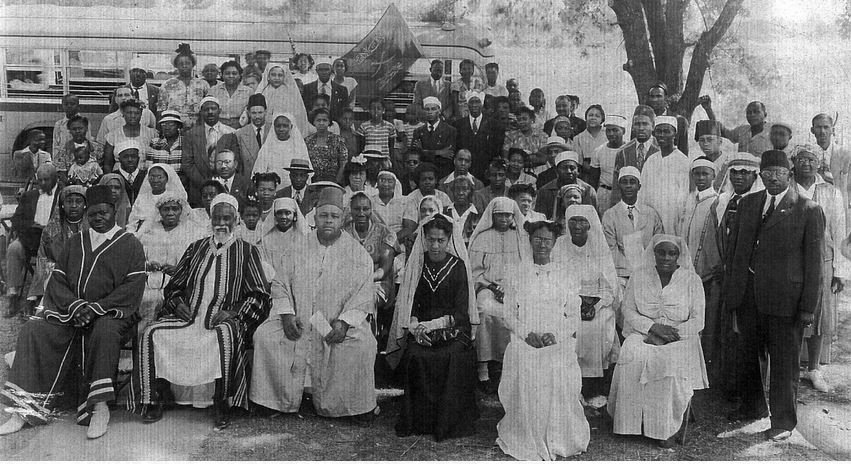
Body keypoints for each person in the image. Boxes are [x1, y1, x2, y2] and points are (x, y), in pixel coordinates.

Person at [0, 185, 146, 439]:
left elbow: (132, 286)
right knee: (34, 329)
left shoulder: (129, 243)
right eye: (94, 213)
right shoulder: (75, 241)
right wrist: (77, 306)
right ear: (87, 214)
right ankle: (24, 409)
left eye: (104, 212)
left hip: (111, 313)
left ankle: (99, 407)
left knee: (105, 331)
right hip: (72, 310)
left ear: (114, 212)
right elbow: (58, 279)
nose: (99, 218)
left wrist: (97, 308)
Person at [129, 193, 270, 429]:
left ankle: (221, 400)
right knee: (152, 333)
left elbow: (258, 295)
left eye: (227, 218)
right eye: (217, 218)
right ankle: (156, 397)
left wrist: (234, 313)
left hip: (221, 318)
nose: (221, 223)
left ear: (236, 221)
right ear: (210, 220)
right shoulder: (195, 248)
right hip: (189, 315)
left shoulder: (247, 251)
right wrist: (178, 304)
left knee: (224, 335)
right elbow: (174, 286)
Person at [250, 185, 377, 421]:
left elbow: (363, 295)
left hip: (334, 324)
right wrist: (287, 315)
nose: (329, 221)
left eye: (334, 216)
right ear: (315, 217)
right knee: (265, 337)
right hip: (299, 319)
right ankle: (275, 402)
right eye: (324, 216)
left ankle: (350, 406)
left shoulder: (356, 253)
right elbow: (279, 284)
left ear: (343, 219)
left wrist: (345, 323)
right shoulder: (297, 246)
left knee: (362, 345)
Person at [725, 150, 824, 441]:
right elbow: (736, 252)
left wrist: (808, 308)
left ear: (789, 174)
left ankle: (783, 421)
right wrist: (735, 294)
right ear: (761, 175)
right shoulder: (748, 203)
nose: (773, 177)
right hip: (749, 296)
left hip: (786, 301)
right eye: (767, 172)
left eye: (779, 172)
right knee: (749, 355)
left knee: (784, 361)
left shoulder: (808, 209)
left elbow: (814, 264)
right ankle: (753, 407)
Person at [497, 220, 590, 459]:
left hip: (556, 338)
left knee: (556, 363)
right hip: (524, 337)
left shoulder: (566, 274)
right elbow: (509, 314)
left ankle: (558, 434)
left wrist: (556, 335)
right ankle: (526, 432)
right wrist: (526, 333)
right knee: (523, 358)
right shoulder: (516, 272)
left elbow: (572, 315)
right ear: (529, 241)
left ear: (555, 243)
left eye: (547, 240)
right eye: (537, 239)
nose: (542, 244)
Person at [608, 234, 708, 448]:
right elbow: (628, 309)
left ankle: (664, 428)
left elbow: (698, 320)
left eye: (672, 253)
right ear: (653, 253)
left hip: (679, 336)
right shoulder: (639, 276)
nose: (666, 257)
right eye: (661, 252)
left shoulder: (692, 280)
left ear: (679, 256)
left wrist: (671, 335)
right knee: (632, 352)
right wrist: (652, 328)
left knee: (667, 361)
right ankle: (630, 424)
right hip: (645, 331)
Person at [386, 212, 478, 439]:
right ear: (424, 240)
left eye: (441, 240)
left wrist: (432, 325)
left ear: (450, 241)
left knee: (451, 356)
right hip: (421, 331)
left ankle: (447, 422)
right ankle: (419, 420)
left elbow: (461, 311)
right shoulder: (418, 264)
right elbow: (411, 304)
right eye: (431, 240)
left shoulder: (458, 267)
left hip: (453, 330)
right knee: (416, 355)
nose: (435, 246)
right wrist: (417, 327)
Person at [791, 145, 849, 392]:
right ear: (794, 162)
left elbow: (839, 231)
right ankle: (790, 368)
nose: (806, 163)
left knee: (819, 313)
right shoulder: (786, 186)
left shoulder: (831, 192)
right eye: (801, 159)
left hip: (822, 260)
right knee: (790, 312)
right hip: (790, 261)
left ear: (818, 163)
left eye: (811, 159)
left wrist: (840, 270)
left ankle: (814, 368)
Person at [553, 204, 620, 403]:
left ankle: (591, 386)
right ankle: (569, 386)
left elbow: (609, 286)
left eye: (582, 221)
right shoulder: (559, 245)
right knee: (569, 327)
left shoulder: (599, 247)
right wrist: (572, 303)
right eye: (573, 220)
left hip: (597, 301)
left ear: (590, 224)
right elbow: (554, 279)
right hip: (565, 301)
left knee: (596, 327)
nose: (577, 226)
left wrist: (595, 305)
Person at [469, 197, 527, 391]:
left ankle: (506, 368)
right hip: (487, 287)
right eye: (500, 215)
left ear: (513, 216)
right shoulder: (482, 238)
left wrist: (512, 288)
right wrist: (492, 287)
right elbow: (475, 271)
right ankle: (483, 368)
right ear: (492, 216)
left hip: (516, 288)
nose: (504, 219)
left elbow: (526, 268)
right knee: (484, 309)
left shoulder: (520, 237)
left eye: (508, 215)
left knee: (517, 313)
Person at [134, 193, 205, 334]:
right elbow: (136, 261)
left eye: (175, 209)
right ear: (159, 211)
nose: (170, 213)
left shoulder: (192, 232)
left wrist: (179, 270)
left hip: (180, 286)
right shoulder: (149, 232)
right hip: (150, 283)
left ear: (181, 210)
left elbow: (199, 263)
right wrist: (148, 265)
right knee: (147, 300)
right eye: (166, 209)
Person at [676, 157, 722, 374]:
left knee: (705, 317)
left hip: (706, 269)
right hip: (685, 267)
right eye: (697, 174)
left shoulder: (717, 201)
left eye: (705, 174)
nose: (701, 178)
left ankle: (704, 365)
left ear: (713, 176)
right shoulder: (687, 199)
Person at [602, 166, 664, 306]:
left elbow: (658, 243)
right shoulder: (610, 215)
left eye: (632, 182)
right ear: (619, 186)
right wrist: (630, 273)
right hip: (622, 275)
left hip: (649, 273)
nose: (629, 186)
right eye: (624, 182)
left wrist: (647, 270)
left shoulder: (651, 214)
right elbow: (611, 249)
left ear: (639, 186)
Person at [344, 192, 400, 346]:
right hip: (348, 282)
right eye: (356, 209)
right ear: (350, 210)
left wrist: (364, 280)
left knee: (367, 298)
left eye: (365, 208)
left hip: (378, 282)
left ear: (371, 209)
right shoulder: (343, 233)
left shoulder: (385, 233)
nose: (361, 213)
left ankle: (369, 341)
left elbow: (384, 269)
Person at [5, 164, 59, 318]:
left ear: (55, 179)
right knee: (13, 248)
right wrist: (31, 224)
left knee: (47, 258)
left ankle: (34, 298)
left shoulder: (62, 195)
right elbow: (16, 220)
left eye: (46, 180)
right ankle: (13, 294)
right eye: (39, 180)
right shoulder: (30, 196)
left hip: (52, 240)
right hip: (30, 237)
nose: (42, 183)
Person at [28, 185, 88, 307]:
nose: (74, 205)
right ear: (61, 204)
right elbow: (42, 259)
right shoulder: (50, 231)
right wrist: (33, 295)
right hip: (57, 276)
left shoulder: (92, 229)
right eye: (69, 201)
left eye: (79, 201)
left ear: (85, 205)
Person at [639, 116, 690, 233]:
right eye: (659, 131)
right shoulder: (651, 160)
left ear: (675, 134)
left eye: (666, 131)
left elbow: (685, 195)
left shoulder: (683, 161)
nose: (662, 135)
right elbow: (642, 192)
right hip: (650, 216)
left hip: (672, 218)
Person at [181, 96, 235, 206]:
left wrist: (220, 183)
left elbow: (234, 161)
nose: (210, 112)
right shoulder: (191, 134)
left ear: (219, 111)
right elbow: (187, 164)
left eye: (213, 109)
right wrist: (205, 184)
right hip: (199, 189)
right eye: (206, 109)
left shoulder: (230, 133)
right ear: (201, 112)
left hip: (224, 186)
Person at [610, 105, 659, 206]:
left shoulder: (661, 151)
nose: (641, 128)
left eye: (645, 124)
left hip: (655, 204)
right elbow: (617, 186)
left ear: (653, 125)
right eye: (637, 124)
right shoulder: (623, 152)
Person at [809, 113, 851, 229]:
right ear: (812, 130)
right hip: (812, 202)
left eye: (826, 127)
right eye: (818, 127)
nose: (822, 131)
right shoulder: (807, 152)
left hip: (836, 204)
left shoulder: (844, 154)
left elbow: (847, 185)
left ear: (833, 130)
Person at [251, 112, 312, 190]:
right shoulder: (267, 147)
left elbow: (306, 172)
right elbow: (259, 171)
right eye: (278, 126)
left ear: (291, 127)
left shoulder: (298, 146)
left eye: (285, 126)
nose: (281, 129)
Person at [216, 94, 271, 175]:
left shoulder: (272, 130)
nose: (257, 116)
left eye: (260, 112)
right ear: (248, 113)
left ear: (266, 111)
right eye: (254, 113)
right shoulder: (240, 134)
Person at [158, 44, 210, 129]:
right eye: (181, 63)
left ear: (193, 65)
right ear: (176, 65)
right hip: (173, 127)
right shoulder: (167, 85)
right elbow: (161, 109)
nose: (184, 66)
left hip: (198, 127)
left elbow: (207, 108)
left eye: (187, 63)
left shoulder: (203, 84)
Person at [699, 96, 772, 157]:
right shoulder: (742, 130)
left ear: (765, 115)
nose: (752, 115)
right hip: (742, 172)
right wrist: (708, 109)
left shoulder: (773, 133)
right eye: (749, 113)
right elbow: (721, 130)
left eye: (756, 112)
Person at [126, 163, 186, 233]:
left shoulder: (174, 198)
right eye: (152, 177)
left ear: (167, 178)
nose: (155, 180)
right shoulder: (142, 198)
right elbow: (132, 221)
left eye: (160, 177)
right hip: (144, 234)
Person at [535, 151, 597, 219]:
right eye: (564, 168)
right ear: (556, 170)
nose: (569, 171)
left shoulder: (588, 190)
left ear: (578, 170)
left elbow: (593, 219)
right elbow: (540, 219)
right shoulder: (544, 191)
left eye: (572, 168)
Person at [102, 99, 158, 173]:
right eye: (129, 113)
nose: (133, 116)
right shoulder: (112, 136)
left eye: (137, 113)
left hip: (145, 177)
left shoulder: (152, 134)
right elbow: (107, 164)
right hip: (119, 177)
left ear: (141, 114)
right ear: (123, 114)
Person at [400, 162, 452, 238]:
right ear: (418, 181)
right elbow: (410, 227)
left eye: (430, 179)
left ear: (436, 180)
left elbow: (449, 220)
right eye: (424, 179)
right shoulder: (411, 198)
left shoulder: (443, 197)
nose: (427, 182)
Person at [255, 62, 309, 135]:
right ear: (268, 76)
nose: (276, 78)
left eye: (280, 75)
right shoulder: (263, 91)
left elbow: (296, 113)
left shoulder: (290, 93)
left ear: (284, 77)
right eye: (273, 75)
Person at [453, 92, 496, 181]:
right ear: (467, 104)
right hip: (465, 171)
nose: (474, 105)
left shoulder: (493, 124)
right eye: (471, 102)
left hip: (485, 171)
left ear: (482, 104)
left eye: (477, 102)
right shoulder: (458, 125)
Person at [589, 114, 627, 213]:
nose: (611, 134)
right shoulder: (599, 151)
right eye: (608, 130)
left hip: (624, 194)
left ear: (623, 131)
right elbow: (593, 179)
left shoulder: (629, 150)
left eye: (615, 130)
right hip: (604, 193)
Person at [412, 97, 456, 179]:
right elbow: (415, 155)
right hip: (424, 175)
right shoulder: (418, 131)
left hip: (443, 173)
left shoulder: (450, 131)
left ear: (439, 111)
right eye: (427, 109)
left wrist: (423, 151)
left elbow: (448, 156)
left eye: (433, 109)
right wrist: (439, 152)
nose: (430, 112)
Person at [305, 108, 348, 183]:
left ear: (329, 122)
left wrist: (336, 182)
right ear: (314, 122)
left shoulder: (338, 140)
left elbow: (343, 164)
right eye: (318, 120)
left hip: (333, 181)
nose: (321, 123)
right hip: (312, 181)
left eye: (324, 120)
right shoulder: (307, 141)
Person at [645, 83, 689, 155]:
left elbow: (683, 150)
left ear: (665, 97)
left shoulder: (680, 121)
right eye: (652, 96)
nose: (655, 99)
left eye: (658, 96)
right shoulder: (643, 121)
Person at [208, 60, 252, 129]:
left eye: (234, 73)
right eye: (227, 73)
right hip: (218, 128)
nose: (231, 76)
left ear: (240, 75)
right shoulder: (213, 90)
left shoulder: (248, 91)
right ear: (222, 75)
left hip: (241, 127)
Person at [693, 120, 732, 191]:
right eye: (702, 140)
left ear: (720, 141)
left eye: (710, 139)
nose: (705, 144)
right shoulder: (698, 163)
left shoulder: (729, 163)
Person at [52, 94, 92, 161]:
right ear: (62, 106)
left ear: (78, 106)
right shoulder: (59, 124)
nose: (69, 106)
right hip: (64, 159)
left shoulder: (84, 122)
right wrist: (56, 161)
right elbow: (55, 145)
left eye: (72, 104)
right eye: (66, 104)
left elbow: (88, 140)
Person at [574, 105, 608, 178]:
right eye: (590, 115)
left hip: (607, 172)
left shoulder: (608, 134)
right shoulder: (578, 138)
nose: (593, 118)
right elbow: (579, 161)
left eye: (597, 116)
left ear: (602, 119)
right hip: (587, 175)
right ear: (586, 118)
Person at [445, 176, 481, 246]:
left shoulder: (478, 215)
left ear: (471, 191)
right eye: (457, 189)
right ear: (452, 191)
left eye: (465, 189)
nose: (460, 193)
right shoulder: (444, 212)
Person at [114, 140, 148, 205]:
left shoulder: (146, 176)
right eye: (125, 157)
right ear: (119, 159)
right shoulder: (114, 177)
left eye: (133, 156)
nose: (130, 160)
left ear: (138, 158)